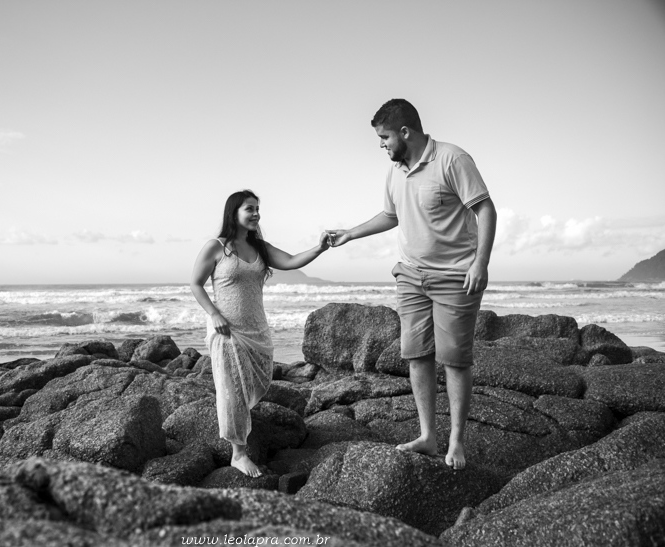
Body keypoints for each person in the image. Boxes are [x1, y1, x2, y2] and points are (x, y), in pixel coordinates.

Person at [327, 99, 496, 470]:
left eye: (385, 137)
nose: (381, 144)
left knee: (454, 361)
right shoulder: (395, 171)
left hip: (455, 277)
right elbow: (391, 215)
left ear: (405, 132)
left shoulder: (452, 159)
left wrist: (480, 263)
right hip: (410, 276)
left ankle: (456, 442)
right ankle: (427, 436)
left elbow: (485, 209)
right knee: (416, 355)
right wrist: (351, 233)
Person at [190, 189, 331, 477]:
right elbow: (195, 283)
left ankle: (241, 429)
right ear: (234, 213)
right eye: (250, 209)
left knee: (253, 383)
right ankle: (238, 454)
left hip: (257, 329)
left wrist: (319, 248)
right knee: (232, 389)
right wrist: (214, 314)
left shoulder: (260, 247)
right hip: (227, 330)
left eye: (257, 209)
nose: (256, 214)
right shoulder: (216, 247)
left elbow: (291, 260)